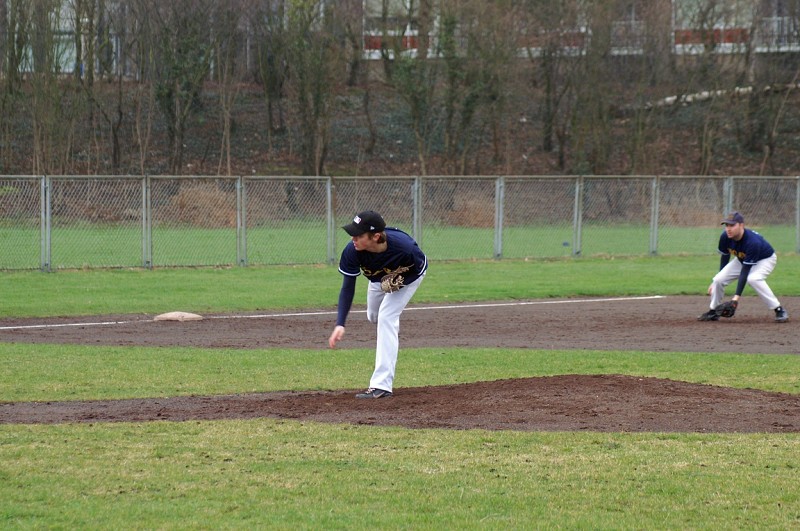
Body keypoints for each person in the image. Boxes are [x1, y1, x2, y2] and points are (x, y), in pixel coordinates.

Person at [328, 210, 428, 398]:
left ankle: (381, 386)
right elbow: (347, 287)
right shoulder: (352, 251)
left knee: (386, 317)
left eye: (358, 235)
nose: (353, 239)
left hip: (407, 277)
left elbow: (421, 267)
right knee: (373, 316)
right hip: (377, 281)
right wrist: (340, 323)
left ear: (375, 236)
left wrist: (401, 282)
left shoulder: (405, 248)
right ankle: (388, 327)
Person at [698, 211, 788, 323]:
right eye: (727, 225)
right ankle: (714, 311)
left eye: (732, 225)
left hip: (764, 259)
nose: (728, 229)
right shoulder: (725, 237)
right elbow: (725, 256)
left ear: (741, 225)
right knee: (718, 280)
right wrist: (717, 279)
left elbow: (745, 271)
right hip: (742, 259)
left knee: (753, 279)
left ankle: (779, 309)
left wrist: (736, 298)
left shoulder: (752, 242)